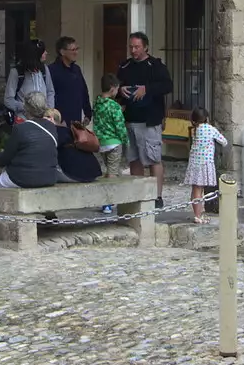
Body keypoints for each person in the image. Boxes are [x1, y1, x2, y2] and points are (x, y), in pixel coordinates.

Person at [0, 90, 61, 238]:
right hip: (49, 176)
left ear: (26, 108)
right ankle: (50, 215)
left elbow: (6, 157)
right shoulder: (52, 127)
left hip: (23, 178)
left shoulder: (20, 129)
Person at [117, 32, 172, 209]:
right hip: (130, 119)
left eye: (137, 47)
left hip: (150, 119)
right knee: (134, 158)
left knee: (153, 158)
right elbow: (113, 86)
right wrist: (121, 90)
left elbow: (167, 86)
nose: (133, 50)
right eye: (131, 47)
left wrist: (147, 89)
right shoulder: (124, 66)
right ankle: (139, 194)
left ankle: (157, 196)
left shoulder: (155, 66)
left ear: (146, 47)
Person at [90, 73, 128, 214]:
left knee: (109, 170)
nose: (117, 91)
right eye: (117, 89)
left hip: (101, 142)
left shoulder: (97, 103)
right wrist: (125, 139)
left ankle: (111, 198)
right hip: (114, 143)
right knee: (112, 173)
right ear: (112, 88)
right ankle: (107, 202)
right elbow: (119, 125)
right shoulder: (114, 106)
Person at [184, 107, 229, 224]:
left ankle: (197, 214)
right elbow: (224, 142)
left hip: (194, 163)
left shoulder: (194, 130)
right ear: (207, 118)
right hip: (205, 163)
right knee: (200, 189)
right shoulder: (211, 129)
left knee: (195, 189)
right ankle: (198, 216)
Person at [3, 39, 54, 122]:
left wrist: (49, 110)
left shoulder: (44, 70)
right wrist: (27, 108)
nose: (46, 53)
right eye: (43, 51)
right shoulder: (17, 73)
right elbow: (8, 100)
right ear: (35, 55)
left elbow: (50, 92)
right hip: (23, 120)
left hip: (44, 120)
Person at [47, 36, 92, 126]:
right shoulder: (51, 70)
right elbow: (48, 95)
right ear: (62, 52)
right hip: (59, 122)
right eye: (73, 50)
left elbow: (83, 92)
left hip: (76, 122)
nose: (76, 52)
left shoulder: (76, 70)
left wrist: (88, 114)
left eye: (77, 49)